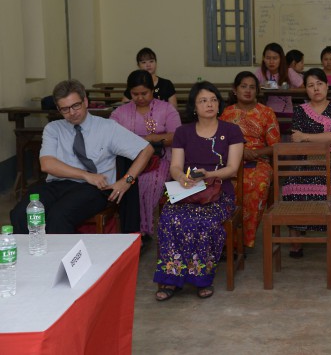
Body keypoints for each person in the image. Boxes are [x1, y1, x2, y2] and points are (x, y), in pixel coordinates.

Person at [10, 80, 153, 234]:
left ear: (85, 101)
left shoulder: (107, 127)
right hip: (57, 185)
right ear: (58, 109)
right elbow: (47, 164)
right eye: (65, 109)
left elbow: (146, 149)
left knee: (58, 216)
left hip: (94, 189)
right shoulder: (53, 129)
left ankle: (64, 258)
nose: (72, 113)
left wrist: (126, 181)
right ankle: (32, 256)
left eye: (75, 105)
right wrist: (85, 175)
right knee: (20, 214)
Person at [153, 81, 244, 301]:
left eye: (213, 100)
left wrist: (209, 175)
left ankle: (201, 277)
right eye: (203, 100)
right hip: (188, 191)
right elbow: (175, 166)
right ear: (194, 106)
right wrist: (181, 177)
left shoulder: (231, 131)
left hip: (219, 193)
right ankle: (171, 278)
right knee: (169, 217)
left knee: (204, 221)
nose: (209, 104)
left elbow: (232, 169)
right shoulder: (183, 132)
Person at [284, 68, 331, 260]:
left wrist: (308, 137)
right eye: (310, 85)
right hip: (306, 158)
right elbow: (295, 139)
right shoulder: (300, 110)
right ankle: (296, 241)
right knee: (292, 183)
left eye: (319, 84)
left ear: (327, 85)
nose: (316, 88)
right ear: (305, 90)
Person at [110, 70, 181, 240]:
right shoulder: (121, 112)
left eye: (144, 93)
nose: (140, 98)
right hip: (128, 162)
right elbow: (109, 135)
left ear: (152, 91)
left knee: (146, 182)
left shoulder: (166, 109)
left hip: (160, 159)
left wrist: (150, 138)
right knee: (127, 181)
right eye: (135, 94)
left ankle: (142, 231)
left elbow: (176, 135)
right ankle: (131, 229)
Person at [219, 71, 281, 248]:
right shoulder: (226, 113)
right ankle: (226, 238)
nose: (248, 90)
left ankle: (244, 241)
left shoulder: (266, 113)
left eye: (252, 87)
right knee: (224, 184)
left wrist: (256, 153)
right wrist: (240, 152)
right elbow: (219, 142)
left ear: (257, 91)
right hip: (231, 161)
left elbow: (275, 146)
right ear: (235, 90)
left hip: (259, 161)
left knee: (256, 183)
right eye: (243, 86)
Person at [255, 42, 303, 115]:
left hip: (286, 112)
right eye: (268, 58)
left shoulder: (289, 71)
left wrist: (289, 89)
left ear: (281, 59)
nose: (271, 62)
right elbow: (252, 86)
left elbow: (303, 87)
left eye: (275, 58)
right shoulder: (260, 71)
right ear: (263, 59)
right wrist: (271, 86)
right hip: (265, 113)